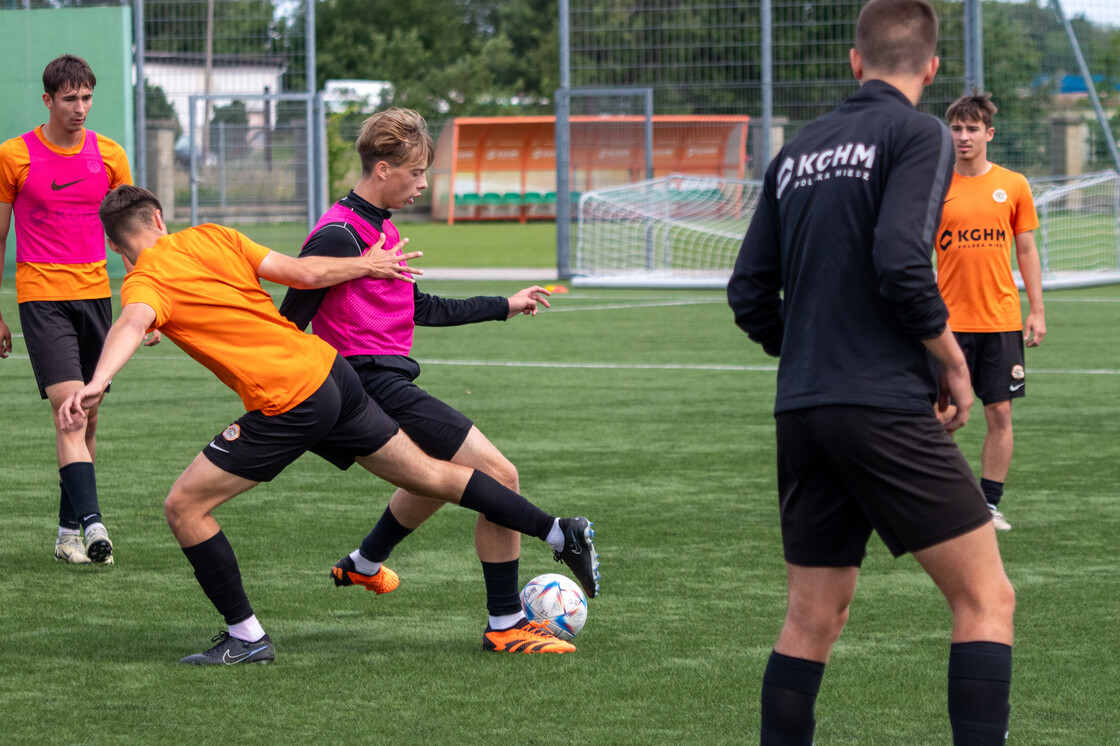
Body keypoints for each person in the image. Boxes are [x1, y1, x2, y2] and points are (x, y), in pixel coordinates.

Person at [59, 185, 600, 664]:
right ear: (158, 220)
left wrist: (97, 380)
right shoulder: (211, 236)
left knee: (184, 506)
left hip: (289, 400)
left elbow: (131, 321)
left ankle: (246, 636)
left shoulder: (144, 283)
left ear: (113, 245)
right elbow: (304, 273)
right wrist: (366, 265)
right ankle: (558, 530)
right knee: (430, 476)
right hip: (333, 372)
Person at [727, 1, 1015, 743]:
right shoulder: (918, 131)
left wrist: (813, 354)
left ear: (855, 62)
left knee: (813, 617)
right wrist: (951, 364)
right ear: (931, 67)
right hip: (882, 404)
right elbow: (900, 261)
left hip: (804, 408)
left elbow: (748, 292)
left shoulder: (798, 149)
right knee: (986, 597)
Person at [278, 108, 594, 655]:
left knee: (439, 478)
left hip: (384, 378)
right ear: (382, 169)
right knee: (499, 474)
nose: (423, 184)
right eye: (416, 172)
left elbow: (419, 306)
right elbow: (287, 324)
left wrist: (505, 305)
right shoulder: (337, 236)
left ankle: (363, 564)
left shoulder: (381, 229)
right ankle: (506, 623)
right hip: (369, 383)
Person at [0, 54, 152, 567]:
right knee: (68, 415)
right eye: (70, 99)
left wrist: (145, 303)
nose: (80, 108)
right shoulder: (13, 156)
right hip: (40, 296)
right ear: (48, 100)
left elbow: (135, 239)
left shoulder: (110, 155)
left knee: (87, 420)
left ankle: (67, 533)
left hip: (96, 296)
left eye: (87, 97)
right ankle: (94, 525)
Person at [935, 90, 1045, 531]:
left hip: (1000, 319)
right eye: (956, 128)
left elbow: (1027, 250)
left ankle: (989, 505)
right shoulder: (934, 184)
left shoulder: (1013, 184)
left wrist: (1036, 310)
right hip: (944, 323)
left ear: (989, 134)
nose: (963, 137)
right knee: (940, 415)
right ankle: (941, 498)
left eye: (972, 129)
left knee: (999, 413)